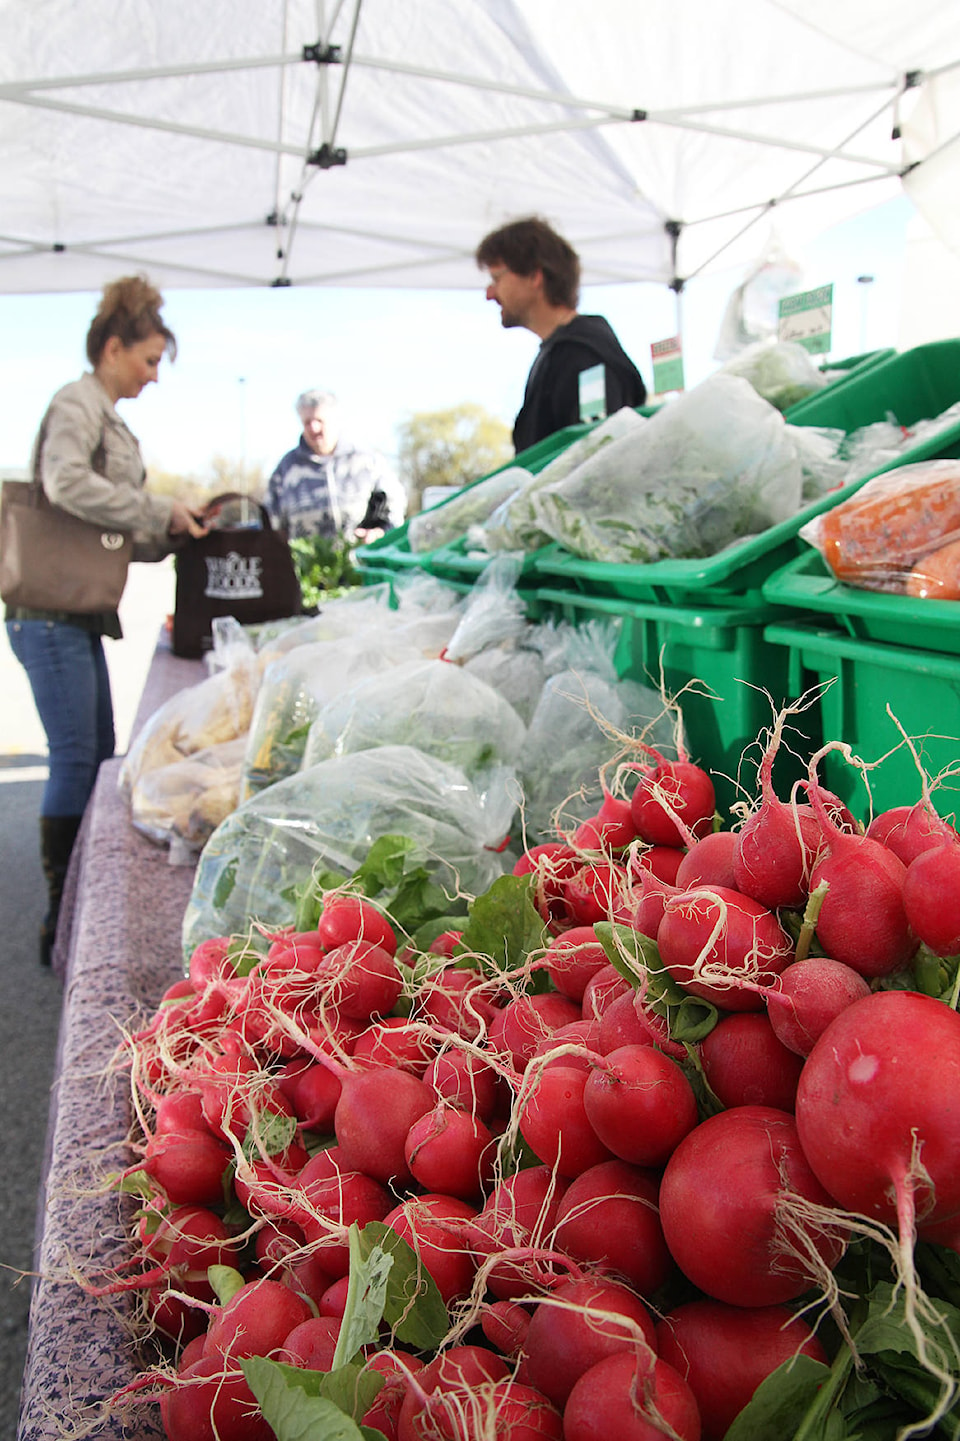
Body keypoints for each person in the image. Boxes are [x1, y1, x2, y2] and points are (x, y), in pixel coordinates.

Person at [3, 274, 207, 964]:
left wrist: (177, 527)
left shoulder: (105, 414)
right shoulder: (77, 402)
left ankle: (72, 908)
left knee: (93, 753)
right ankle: (61, 913)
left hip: (76, 612)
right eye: (149, 360)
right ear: (113, 347)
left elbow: (108, 528)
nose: (154, 376)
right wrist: (156, 509)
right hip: (48, 613)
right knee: (77, 758)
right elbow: (63, 484)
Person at [476, 215, 648, 454]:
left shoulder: (586, 357)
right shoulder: (557, 355)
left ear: (535, 276)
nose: (489, 293)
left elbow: (593, 463)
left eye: (497, 278)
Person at [264, 389, 406, 542]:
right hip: (304, 563)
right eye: (307, 422)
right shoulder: (286, 468)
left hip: (358, 560)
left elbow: (394, 508)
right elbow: (271, 522)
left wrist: (379, 532)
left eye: (319, 420)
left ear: (334, 419)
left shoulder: (367, 461)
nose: (314, 428)